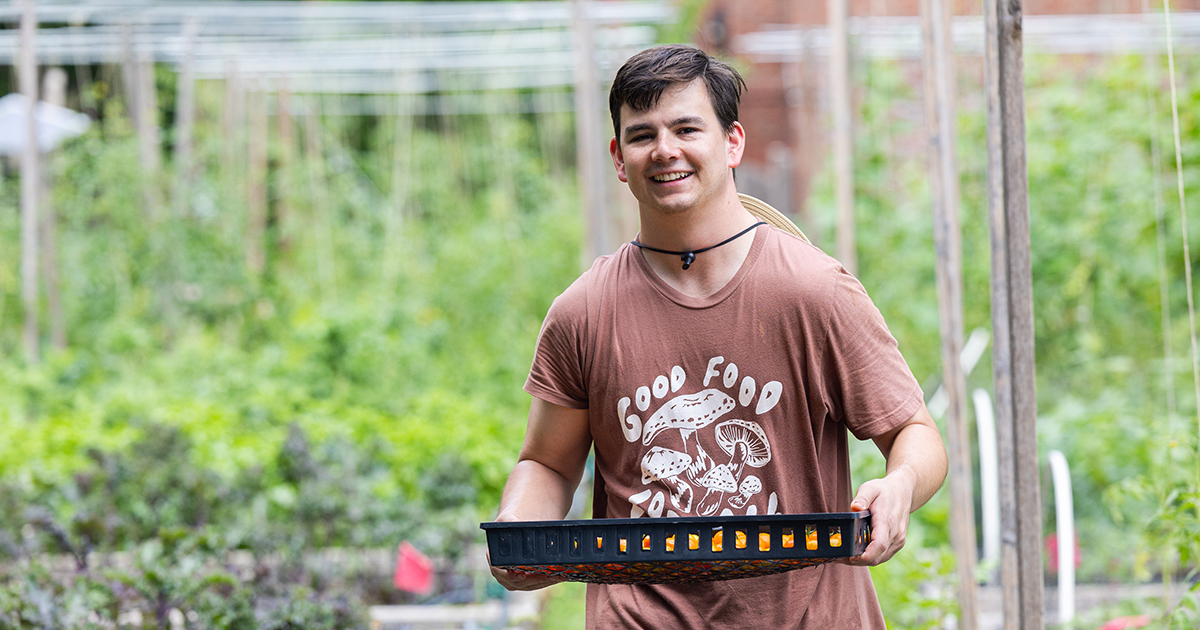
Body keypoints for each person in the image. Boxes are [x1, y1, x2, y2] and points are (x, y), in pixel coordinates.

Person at [490, 44, 948, 628]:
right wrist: (520, 534)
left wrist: (901, 483)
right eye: (642, 134)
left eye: (687, 128)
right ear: (617, 156)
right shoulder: (583, 312)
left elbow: (915, 432)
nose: (665, 150)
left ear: (733, 142)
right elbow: (549, 464)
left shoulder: (812, 290)